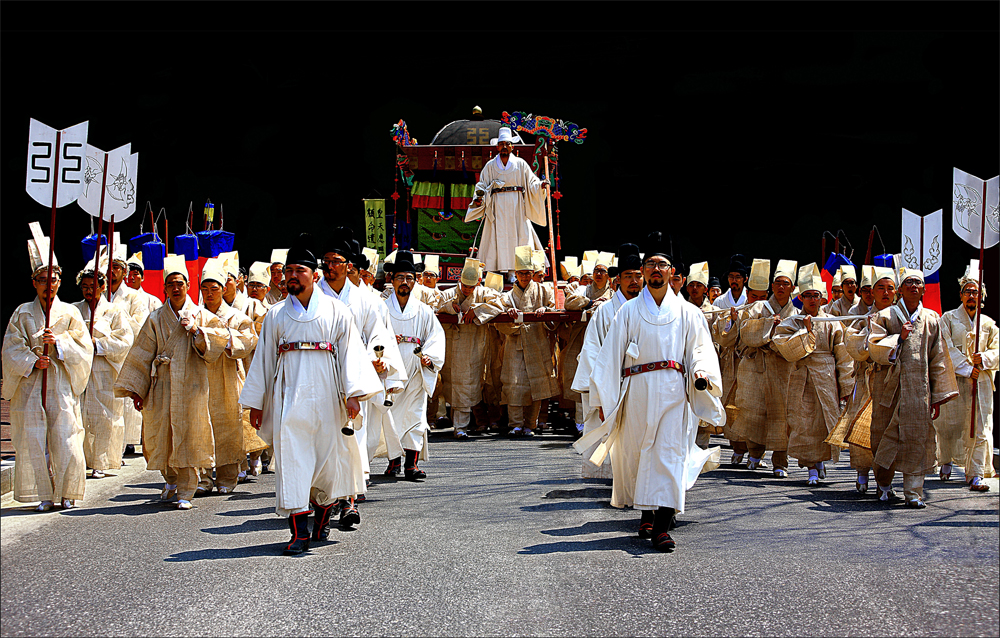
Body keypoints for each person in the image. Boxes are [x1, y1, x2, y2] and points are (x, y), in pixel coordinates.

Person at [578, 232, 723, 551]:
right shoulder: (626, 313)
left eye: (662, 264)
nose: (656, 269)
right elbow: (609, 357)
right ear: (643, 272)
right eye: (651, 264)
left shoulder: (689, 314)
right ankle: (646, 515)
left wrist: (700, 370)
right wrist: (606, 399)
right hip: (637, 392)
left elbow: (700, 348)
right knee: (640, 455)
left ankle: (661, 527)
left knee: (668, 455)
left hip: (674, 392)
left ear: (673, 273)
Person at [241, 236, 382, 554]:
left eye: (299, 270)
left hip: (328, 397)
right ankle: (299, 533)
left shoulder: (337, 312)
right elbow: (263, 359)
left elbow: (350, 354)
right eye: (288, 271)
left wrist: (354, 393)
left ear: (314, 275)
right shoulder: (276, 316)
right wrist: (255, 403)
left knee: (328, 463)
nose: (291, 276)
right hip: (289, 400)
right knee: (292, 462)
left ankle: (322, 514)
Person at [114, 255, 231, 510]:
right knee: (162, 433)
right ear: (165, 288)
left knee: (189, 433)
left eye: (180, 283)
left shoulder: (201, 315)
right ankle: (170, 481)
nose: (176, 288)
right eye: (171, 284)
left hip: (192, 384)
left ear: (188, 285)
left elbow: (220, 339)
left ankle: (186, 490)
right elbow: (142, 353)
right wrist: (138, 390)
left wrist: (198, 331)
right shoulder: (156, 318)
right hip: (162, 383)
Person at [3, 234, 93, 511]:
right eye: (42, 280)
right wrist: (31, 361)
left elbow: (84, 347)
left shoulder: (69, 313)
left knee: (66, 436)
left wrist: (60, 344)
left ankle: (68, 491)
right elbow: (10, 347)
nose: (48, 286)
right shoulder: (22, 313)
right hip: (31, 384)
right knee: (33, 437)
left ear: (60, 282)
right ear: (34, 282)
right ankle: (44, 493)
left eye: (52, 280)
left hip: (60, 383)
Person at [318, 229, 405, 502]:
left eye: (336, 262)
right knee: (324, 434)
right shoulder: (313, 296)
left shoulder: (366, 300)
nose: (330, 267)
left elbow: (379, 334)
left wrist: (378, 358)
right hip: (320, 372)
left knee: (355, 433)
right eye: (326, 261)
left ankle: (352, 491)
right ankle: (324, 489)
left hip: (355, 372)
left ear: (348, 266)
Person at [866, 269, 959, 507]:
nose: (914, 286)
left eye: (918, 283)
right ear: (900, 289)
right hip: (888, 387)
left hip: (919, 388)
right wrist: (898, 338)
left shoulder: (931, 318)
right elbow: (874, 347)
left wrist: (937, 396)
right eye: (908, 282)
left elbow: (938, 359)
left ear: (924, 289)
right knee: (883, 435)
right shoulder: (884, 316)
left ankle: (913, 492)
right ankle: (884, 484)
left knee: (917, 437)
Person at [772, 264, 854, 486]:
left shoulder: (831, 323)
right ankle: (811, 468)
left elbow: (844, 357)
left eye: (815, 296)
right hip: (801, 376)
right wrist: (805, 332)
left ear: (822, 298)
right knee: (805, 422)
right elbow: (782, 346)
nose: (811, 300)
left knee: (824, 421)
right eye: (806, 296)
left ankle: (819, 462)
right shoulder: (792, 322)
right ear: (801, 298)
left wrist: (846, 386)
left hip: (826, 378)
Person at [572, 243, 644, 478]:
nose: (634, 282)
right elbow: (593, 355)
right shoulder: (605, 312)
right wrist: (599, 398)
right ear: (617, 282)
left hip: (641, 383)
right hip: (609, 385)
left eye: (638, 276)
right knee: (607, 434)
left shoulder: (650, 310)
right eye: (628, 277)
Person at [476, 245, 560, 437]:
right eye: (521, 273)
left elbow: (554, 310)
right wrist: (508, 315)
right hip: (514, 345)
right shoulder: (507, 296)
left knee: (535, 386)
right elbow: (499, 318)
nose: (524, 277)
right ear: (515, 274)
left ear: (533, 273)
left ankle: (531, 424)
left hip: (537, 343)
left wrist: (545, 311)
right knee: (514, 384)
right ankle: (515, 424)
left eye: (528, 273)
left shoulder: (543, 290)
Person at [728, 259, 798, 477]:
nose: (781, 287)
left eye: (785, 283)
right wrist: (769, 324)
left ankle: (780, 462)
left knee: (781, 415)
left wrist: (776, 333)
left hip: (782, 369)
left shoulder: (796, 312)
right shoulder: (759, 307)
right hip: (755, 366)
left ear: (792, 288)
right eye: (777, 283)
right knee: (754, 410)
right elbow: (747, 331)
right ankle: (755, 454)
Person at [195, 260, 257, 496]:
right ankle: (202, 475)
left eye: (214, 289)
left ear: (223, 289)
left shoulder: (236, 316)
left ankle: (227, 475)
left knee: (228, 425)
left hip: (229, 375)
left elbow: (248, 341)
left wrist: (213, 336)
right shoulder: (194, 315)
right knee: (199, 425)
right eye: (205, 289)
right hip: (199, 376)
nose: (209, 294)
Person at [382, 251, 446, 479]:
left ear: (415, 280)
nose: (405, 283)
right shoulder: (381, 308)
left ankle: (411, 464)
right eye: (400, 278)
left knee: (415, 416)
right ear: (391, 279)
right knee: (389, 416)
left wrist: (429, 356)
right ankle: (393, 462)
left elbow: (436, 336)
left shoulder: (423, 310)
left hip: (416, 368)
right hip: (390, 370)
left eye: (409, 278)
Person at [836, 266, 898, 492]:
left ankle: (886, 479)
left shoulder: (901, 317)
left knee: (888, 429)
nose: (883, 293)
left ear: (896, 292)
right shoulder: (862, 317)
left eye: (889, 288)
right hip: (866, 378)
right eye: (878, 288)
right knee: (863, 425)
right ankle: (862, 471)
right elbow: (853, 346)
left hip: (893, 382)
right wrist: (869, 333)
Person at [936, 268, 997, 491]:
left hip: (980, 382)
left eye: (976, 292)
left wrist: (986, 358)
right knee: (949, 426)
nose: (972, 296)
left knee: (980, 428)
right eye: (967, 291)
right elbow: (945, 346)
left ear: (981, 296)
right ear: (961, 295)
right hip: (956, 380)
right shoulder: (948, 319)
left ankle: (976, 474)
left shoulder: (989, 324)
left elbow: (997, 349)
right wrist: (965, 367)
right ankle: (945, 460)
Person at [72, 270, 134, 479]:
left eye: (93, 286)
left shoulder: (115, 311)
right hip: (80, 369)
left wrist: (97, 343)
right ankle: (81, 459)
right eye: (85, 287)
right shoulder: (73, 310)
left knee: (105, 417)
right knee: (79, 415)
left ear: (102, 287)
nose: (89, 291)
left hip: (104, 369)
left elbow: (125, 340)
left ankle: (101, 460)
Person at [465, 127, 550, 274]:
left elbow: (531, 183)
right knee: (496, 238)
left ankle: (518, 272)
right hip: (497, 205)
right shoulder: (490, 166)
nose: (504, 147)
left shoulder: (520, 164)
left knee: (520, 237)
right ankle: (496, 271)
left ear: (512, 146)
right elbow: (481, 185)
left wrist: (540, 185)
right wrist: (479, 198)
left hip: (517, 205)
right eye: (502, 144)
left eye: (507, 144)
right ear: (497, 146)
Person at [436, 258, 503, 438]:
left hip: (474, 345)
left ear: (478, 283)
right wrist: (450, 307)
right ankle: (457, 424)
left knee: (467, 384)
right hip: (452, 345)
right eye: (464, 285)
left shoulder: (485, 293)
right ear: (460, 281)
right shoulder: (448, 293)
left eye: (471, 287)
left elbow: (498, 305)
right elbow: (436, 306)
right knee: (453, 383)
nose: (467, 289)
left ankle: (461, 427)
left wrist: (478, 310)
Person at [714, 257, 766, 466]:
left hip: (753, 360)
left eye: (738, 277)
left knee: (753, 404)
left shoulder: (756, 301)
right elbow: (719, 332)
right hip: (730, 359)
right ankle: (737, 447)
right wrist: (731, 322)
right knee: (731, 403)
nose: (734, 281)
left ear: (745, 280)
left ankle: (755, 450)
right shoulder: (720, 302)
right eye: (731, 277)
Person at [562, 252, 614, 434]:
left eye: (603, 271)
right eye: (596, 271)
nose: (598, 274)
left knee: (603, 380)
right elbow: (569, 302)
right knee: (581, 378)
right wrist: (591, 302)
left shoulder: (613, 293)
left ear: (609, 276)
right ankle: (580, 423)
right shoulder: (583, 290)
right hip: (581, 338)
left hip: (605, 340)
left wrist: (605, 304)